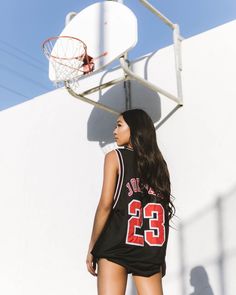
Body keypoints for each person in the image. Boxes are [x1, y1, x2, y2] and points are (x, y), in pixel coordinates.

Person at [86, 109, 175, 295]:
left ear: (134, 129)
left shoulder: (115, 157)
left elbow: (105, 205)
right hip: (149, 249)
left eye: (119, 125)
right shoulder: (160, 166)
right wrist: (160, 256)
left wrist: (93, 246)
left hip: (116, 245)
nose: (114, 131)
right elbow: (163, 215)